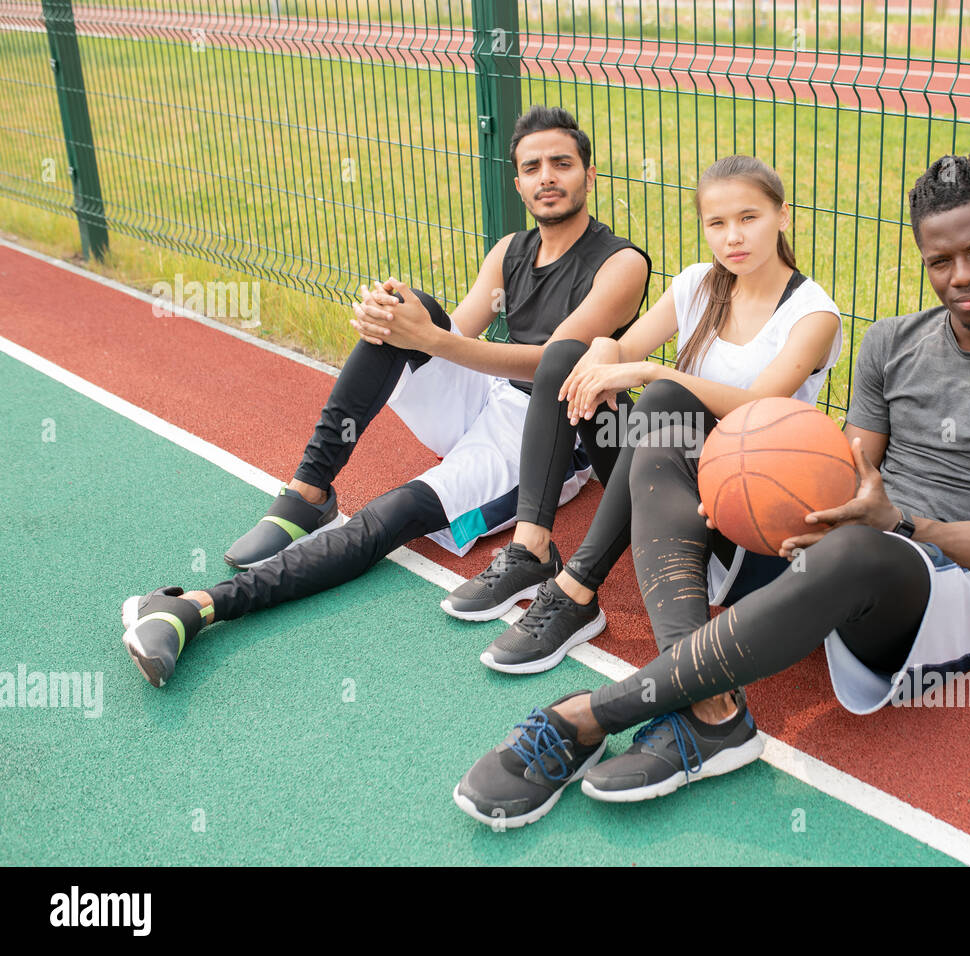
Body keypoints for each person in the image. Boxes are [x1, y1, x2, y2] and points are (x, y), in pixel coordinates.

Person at [453, 153, 970, 828]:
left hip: (936, 582)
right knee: (666, 420)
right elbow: (845, 469)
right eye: (941, 261)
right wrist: (792, 494)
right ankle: (710, 717)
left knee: (857, 551)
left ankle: (587, 715)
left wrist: (900, 522)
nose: (962, 276)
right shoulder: (891, 343)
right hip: (838, 538)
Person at [119, 106, 651, 688]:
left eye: (561, 163)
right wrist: (398, 321)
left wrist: (431, 339)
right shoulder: (509, 251)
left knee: (392, 515)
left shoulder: (620, 262)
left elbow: (559, 363)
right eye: (533, 167)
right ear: (518, 181)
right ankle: (308, 491)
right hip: (488, 393)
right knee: (404, 307)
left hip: (547, 436)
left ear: (589, 174)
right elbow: (460, 336)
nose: (547, 176)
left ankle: (196, 606)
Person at [440, 154, 843, 677]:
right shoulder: (698, 284)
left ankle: (577, 588)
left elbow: (756, 407)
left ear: (783, 216)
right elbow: (620, 355)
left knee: (664, 398)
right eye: (717, 224)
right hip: (663, 482)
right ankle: (532, 547)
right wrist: (606, 350)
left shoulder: (814, 315)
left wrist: (653, 374)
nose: (733, 238)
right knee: (567, 356)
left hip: (745, 513)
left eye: (750, 218)